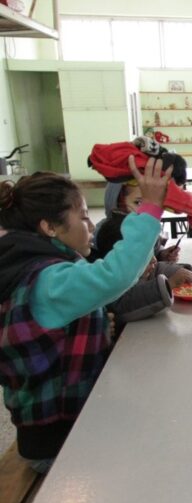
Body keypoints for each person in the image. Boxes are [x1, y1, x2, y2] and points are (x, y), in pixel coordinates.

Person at [0, 159, 171, 472]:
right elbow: (114, 276)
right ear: (48, 227)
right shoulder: (49, 279)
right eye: (82, 217)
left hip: (63, 425)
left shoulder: (30, 262)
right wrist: (149, 209)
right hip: (59, 441)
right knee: (163, 443)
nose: (91, 226)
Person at [95, 211, 192, 337]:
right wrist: (169, 284)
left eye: (152, 252)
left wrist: (181, 272)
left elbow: (157, 268)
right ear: (121, 259)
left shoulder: (139, 271)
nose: (154, 259)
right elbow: (125, 304)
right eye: (145, 255)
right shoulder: (112, 286)